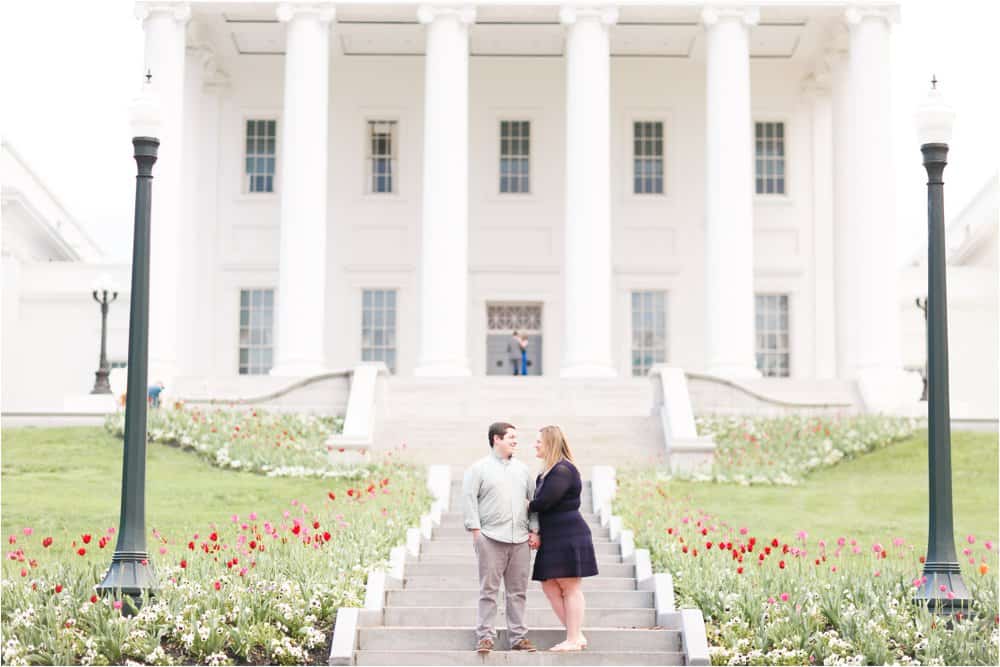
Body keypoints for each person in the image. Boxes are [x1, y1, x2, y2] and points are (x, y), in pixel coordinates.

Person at [463, 422, 541, 654]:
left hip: (520, 541)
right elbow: (469, 500)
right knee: (488, 591)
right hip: (490, 538)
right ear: (496, 439)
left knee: (517, 592)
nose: (515, 442)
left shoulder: (524, 470)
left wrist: (534, 530)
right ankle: (485, 637)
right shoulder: (478, 469)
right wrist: (476, 532)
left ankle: (518, 638)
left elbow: (533, 502)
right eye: (511, 437)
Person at [528, 425, 599, 652]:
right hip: (552, 534)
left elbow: (544, 502)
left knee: (570, 586)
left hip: (569, 533)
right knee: (549, 585)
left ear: (550, 443)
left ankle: (573, 637)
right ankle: (575, 634)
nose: (535, 445)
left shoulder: (563, 470)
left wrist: (521, 503)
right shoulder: (545, 472)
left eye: (539, 441)